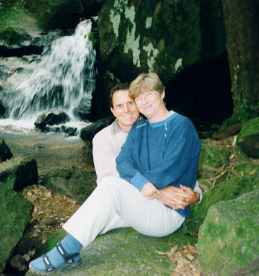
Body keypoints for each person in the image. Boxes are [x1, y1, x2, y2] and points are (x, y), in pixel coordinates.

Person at [29, 73, 201, 275]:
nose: (143, 102)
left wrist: (194, 195)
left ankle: (64, 252)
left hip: (168, 212)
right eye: (139, 98)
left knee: (111, 187)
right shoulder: (140, 127)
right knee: (104, 203)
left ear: (162, 93)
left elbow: (167, 172)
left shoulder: (181, 126)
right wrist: (141, 182)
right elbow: (122, 161)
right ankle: (70, 251)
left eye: (148, 95)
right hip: (143, 203)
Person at [92, 83, 202, 210]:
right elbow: (111, 182)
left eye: (130, 103)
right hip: (118, 202)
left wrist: (197, 195)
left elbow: (174, 165)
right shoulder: (102, 139)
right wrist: (159, 193)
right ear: (113, 111)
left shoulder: (155, 128)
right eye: (120, 106)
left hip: (153, 206)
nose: (126, 110)